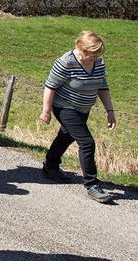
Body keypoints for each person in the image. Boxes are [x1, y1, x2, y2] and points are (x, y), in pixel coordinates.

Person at [40, 32, 118, 203]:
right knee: (87, 142)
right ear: (80, 48)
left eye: (98, 53)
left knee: (67, 135)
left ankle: (50, 166)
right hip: (64, 106)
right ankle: (92, 185)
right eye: (92, 53)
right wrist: (46, 111)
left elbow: (102, 87)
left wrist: (110, 111)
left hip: (84, 108)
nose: (96, 57)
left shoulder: (98, 62)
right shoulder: (66, 62)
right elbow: (50, 86)